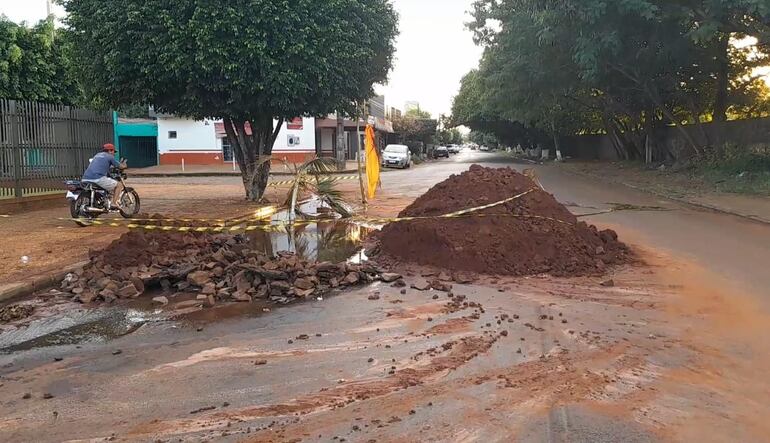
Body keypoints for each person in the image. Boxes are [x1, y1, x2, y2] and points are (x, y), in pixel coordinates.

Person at [82, 143, 127, 207]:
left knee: (105, 183)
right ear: (110, 150)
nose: (114, 154)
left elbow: (102, 166)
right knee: (119, 185)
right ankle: (113, 203)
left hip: (85, 179)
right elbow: (120, 166)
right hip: (97, 179)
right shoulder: (110, 156)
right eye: (114, 152)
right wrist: (124, 165)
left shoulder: (97, 155)